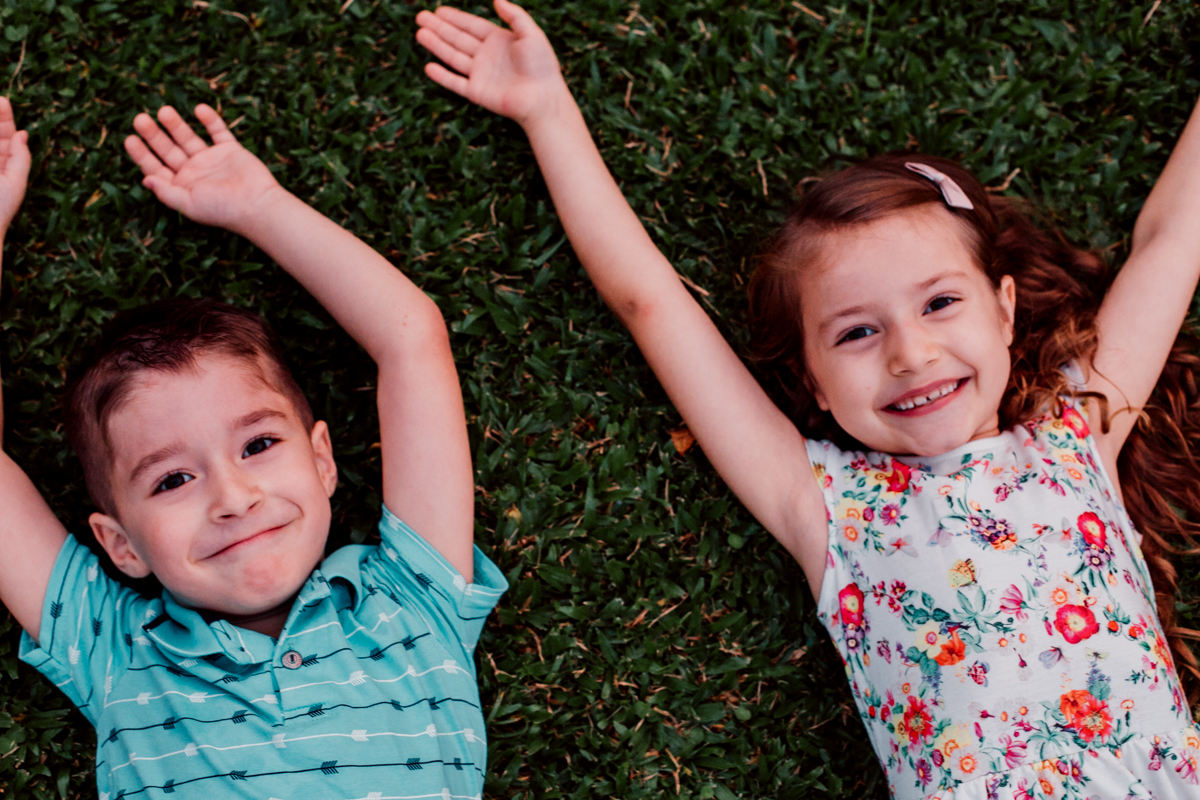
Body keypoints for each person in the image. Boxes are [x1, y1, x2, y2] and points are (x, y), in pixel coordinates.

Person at [415, 2, 1200, 797]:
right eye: (857, 332)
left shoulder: (1078, 432)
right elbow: (651, 304)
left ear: (1003, 310)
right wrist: (549, 115)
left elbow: (1173, 242)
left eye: (939, 304)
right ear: (814, 383)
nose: (910, 352)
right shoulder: (830, 508)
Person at [0, 98, 508, 798]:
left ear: (323, 460)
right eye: (173, 479)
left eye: (259, 443)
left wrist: (260, 205)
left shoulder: (413, 602)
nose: (233, 498)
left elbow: (412, 338)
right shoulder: (115, 650)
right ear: (121, 545)